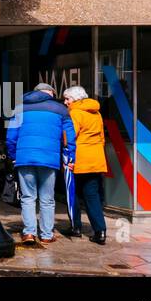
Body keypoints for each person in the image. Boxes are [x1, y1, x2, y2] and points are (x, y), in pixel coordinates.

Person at [5, 82, 75, 246]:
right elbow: (69, 137)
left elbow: (11, 136)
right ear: (50, 93)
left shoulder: (20, 108)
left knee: (28, 197)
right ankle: (46, 234)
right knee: (47, 199)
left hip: (25, 158)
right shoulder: (61, 110)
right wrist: (70, 158)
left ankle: (29, 233)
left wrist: (14, 156)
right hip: (49, 159)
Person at [63, 85, 108, 244]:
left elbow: (69, 137)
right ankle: (100, 231)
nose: (65, 102)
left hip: (78, 160)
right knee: (92, 196)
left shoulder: (74, 113)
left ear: (75, 99)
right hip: (96, 159)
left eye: (67, 99)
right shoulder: (97, 113)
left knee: (73, 194)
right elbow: (102, 138)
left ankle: (75, 227)